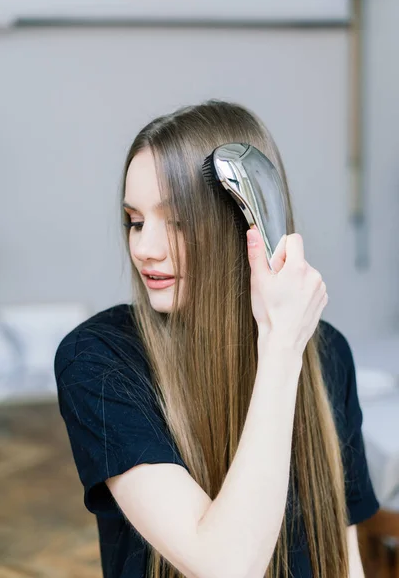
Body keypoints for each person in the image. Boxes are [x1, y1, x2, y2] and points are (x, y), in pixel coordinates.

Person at [54, 99, 379, 578]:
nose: (144, 248)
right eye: (135, 221)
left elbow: (343, 555)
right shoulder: (100, 359)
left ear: (248, 228)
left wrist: (286, 342)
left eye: (178, 223)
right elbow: (226, 566)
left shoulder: (326, 354)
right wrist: (282, 345)